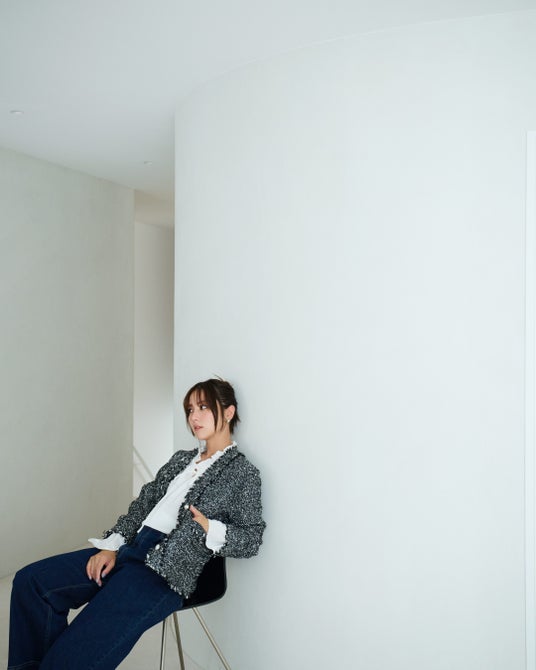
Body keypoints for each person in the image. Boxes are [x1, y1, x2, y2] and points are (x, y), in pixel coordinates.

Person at [8, 378, 265, 670]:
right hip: (129, 549)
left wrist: (210, 528)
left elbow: (252, 538)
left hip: (164, 572)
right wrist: (111, 546)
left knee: (75, 651)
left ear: (228, 412)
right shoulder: (181, 460)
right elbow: (142, 505)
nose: (194, 417)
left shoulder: (242, 473)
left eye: (204, 407)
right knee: (32, 582)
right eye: (190, 409)